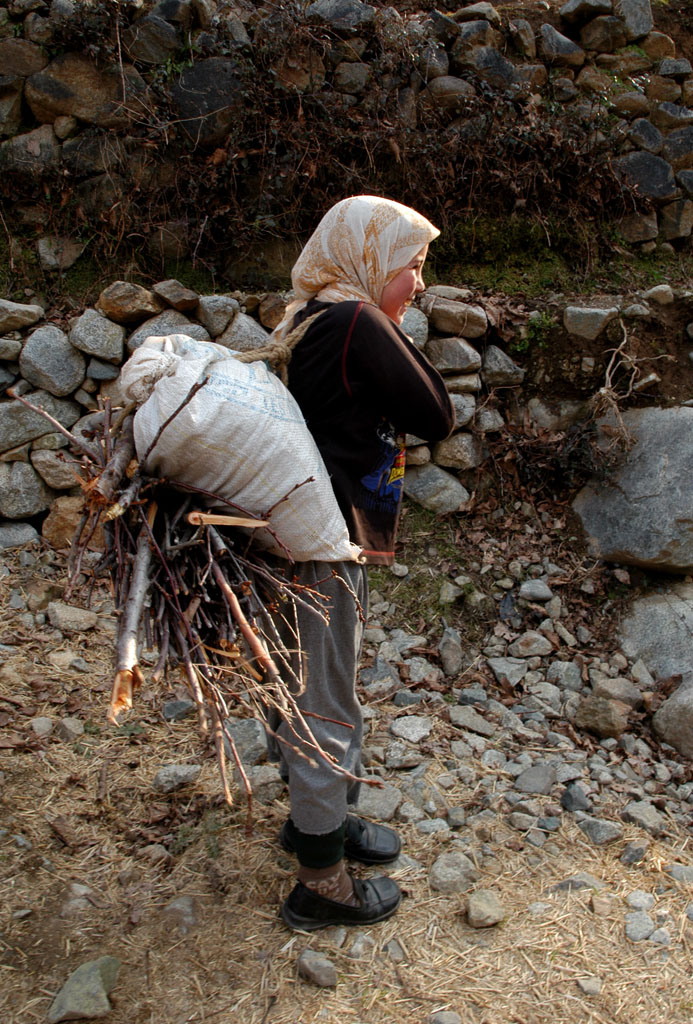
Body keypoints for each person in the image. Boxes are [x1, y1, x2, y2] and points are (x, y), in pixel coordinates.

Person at [268, 195, 455, 931]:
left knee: (314, 681)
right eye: (410, 266)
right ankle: (320, 880)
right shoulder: (350, 320)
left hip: (307, 532)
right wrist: (390, 326)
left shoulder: (312, 314)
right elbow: (434, 411)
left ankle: (320, 825)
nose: (417, 284)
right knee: (326, 701)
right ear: (367, 259)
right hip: (324, 539)